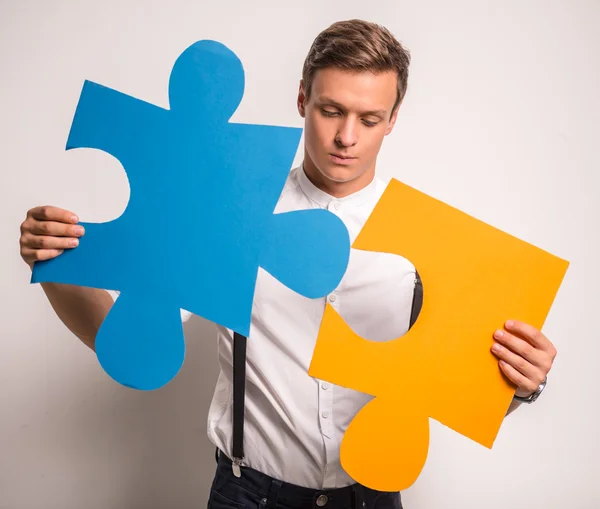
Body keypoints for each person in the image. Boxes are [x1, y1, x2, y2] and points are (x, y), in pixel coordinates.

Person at [19, 19, 557, 509]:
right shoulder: (229, 211)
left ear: (393, 120)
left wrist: (522, 383)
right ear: (302, 100)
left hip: (373, 495)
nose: (347, 137)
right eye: (331, 110)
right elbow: (126, 336)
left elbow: (458, 388)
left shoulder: (428, 243)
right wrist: (54, 270)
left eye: (369, 119)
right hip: (250, 495)